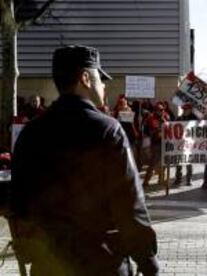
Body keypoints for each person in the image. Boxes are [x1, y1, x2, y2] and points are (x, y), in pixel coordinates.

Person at [9, 45, 159, 276]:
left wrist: (28, 248)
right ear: (86, 78)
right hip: (102, 262)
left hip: (49, 264)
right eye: (100, 78)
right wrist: (147, 260)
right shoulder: (108, 130)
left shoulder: (31, 133)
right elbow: (128, 203)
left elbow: (18, 201)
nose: (104, 85)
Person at [143, 101, 169, 187]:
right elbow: (146, 131)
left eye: (162, 109)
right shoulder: (150, 119)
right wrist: (155, 132)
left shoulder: (166, 116)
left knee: (164, 162)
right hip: (155, 143)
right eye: (159, 110)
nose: (161, 111)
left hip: (165, 142)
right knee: (152, 163)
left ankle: (161, 179)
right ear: (155, 110)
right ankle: (146, 181)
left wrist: (165, 121)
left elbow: (171, 126)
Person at [173, 102, 198, 186]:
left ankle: (189, 179)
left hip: (190, 144)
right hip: (180, 143)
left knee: (189, 162)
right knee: (179, 162)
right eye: (184, 109)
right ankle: (178, 179)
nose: (185, 111)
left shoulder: (195, 118)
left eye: (186, 109)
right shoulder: (179, 118)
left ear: (190, 110)